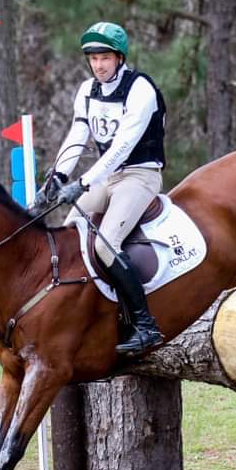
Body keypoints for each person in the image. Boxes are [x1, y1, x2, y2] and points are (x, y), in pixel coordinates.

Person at [34, 22, 166, 357]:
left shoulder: (141, 90)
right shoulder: (87, 90)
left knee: (106, 244)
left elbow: (122, 148)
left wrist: (82, 183)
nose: (98, 65)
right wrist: (58, 178)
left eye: (105, 57)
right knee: (68, 236)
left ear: (120, 58)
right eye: (93, 58)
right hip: (106, 177)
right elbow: (78, 137)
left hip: (140, 175)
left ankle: (145, 325)